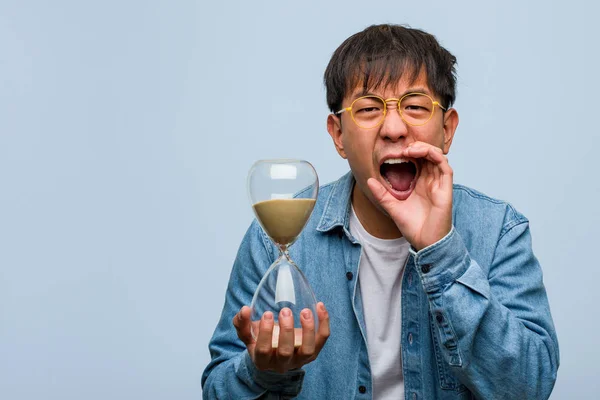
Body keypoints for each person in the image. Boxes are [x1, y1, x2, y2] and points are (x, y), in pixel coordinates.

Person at [201, 24, 559, 399]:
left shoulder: (499, 229)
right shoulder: (273, 238)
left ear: (447, 129)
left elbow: (529, 387)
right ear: (338, 134)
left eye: (416, 106)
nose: (393, 128)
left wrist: (441, 251)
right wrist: (263, 371)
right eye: (369, 108)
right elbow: (217, 389)